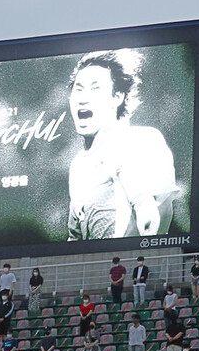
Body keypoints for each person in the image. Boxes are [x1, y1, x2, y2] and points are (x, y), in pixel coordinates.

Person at [66, 49, 178, 240]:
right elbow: (74, 235)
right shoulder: (78, 165)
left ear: (117, 97)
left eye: (95, 88)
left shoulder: (138, 140)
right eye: (78, 89)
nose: (83, 98)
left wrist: (146, 249)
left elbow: (149, 209)